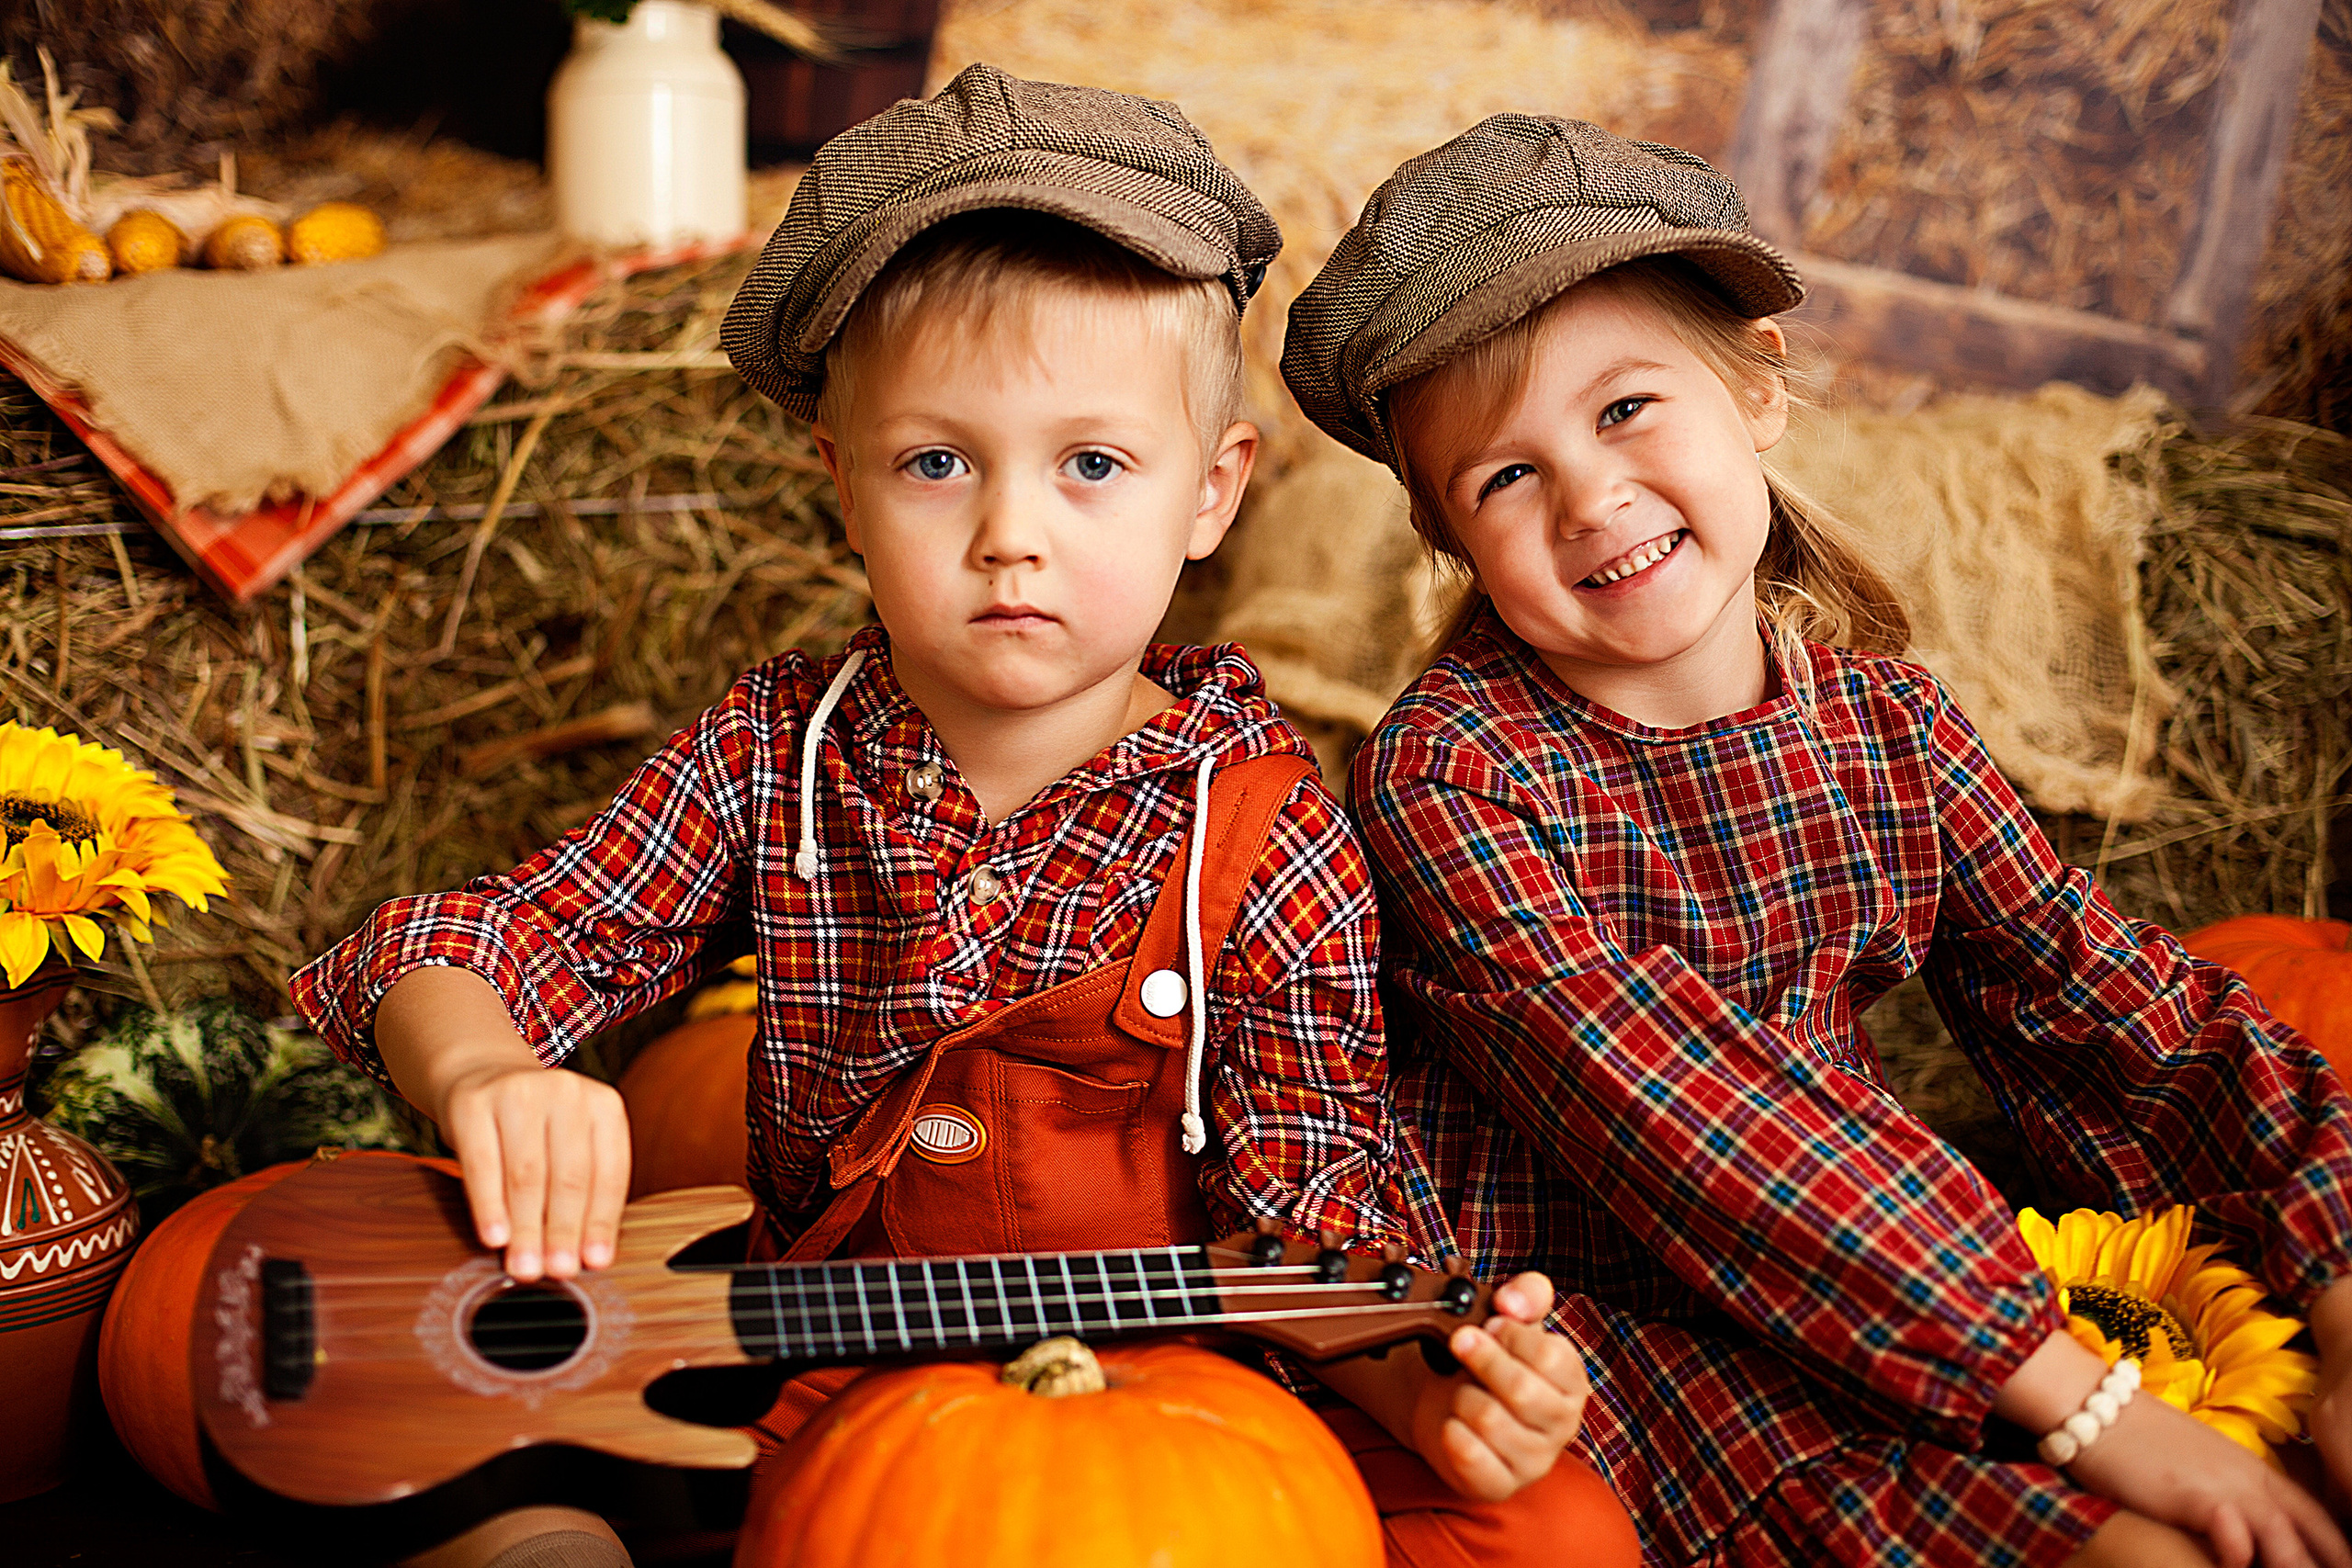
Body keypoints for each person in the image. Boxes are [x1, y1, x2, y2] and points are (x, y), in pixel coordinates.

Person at [293, 68, 1635, 1568]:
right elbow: (465, 942)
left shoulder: (1264, 838)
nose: (1011, 534)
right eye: (938, 463)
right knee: (485, 1495)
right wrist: (482, 1069)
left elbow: (1300, 1207)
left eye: (1092, 466)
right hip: (840, 1386)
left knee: (1548, 1524)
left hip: (1173, 1396)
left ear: (1212, 492)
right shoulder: (781, 759)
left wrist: (1427, 1376)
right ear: (842, 489)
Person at [1278, 113, 2352, 1568]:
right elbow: (1704, 1128)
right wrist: (2089, 1409)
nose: (1591, 498)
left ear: (1758, 389)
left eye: (1625, 409)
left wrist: (2334, 1281)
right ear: (1450, 536)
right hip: (1608, 1331)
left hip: (1894, 1275)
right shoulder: (1451, 776)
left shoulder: (1885, 722)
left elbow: (2113, 1008)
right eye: (1505, 479)